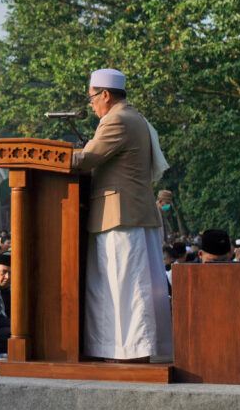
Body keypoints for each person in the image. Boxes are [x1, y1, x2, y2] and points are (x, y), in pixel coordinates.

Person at [70, 68, 172, 362]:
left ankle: (132, 352)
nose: (90, 105)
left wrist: (48, 155)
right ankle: (126, 350)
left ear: (105, 94)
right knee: (126, 287)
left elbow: (87, 158)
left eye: (91, 98)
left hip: (121, 218)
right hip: (130, 215)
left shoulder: (116, 119)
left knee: (124, 288)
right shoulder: (135, 117)